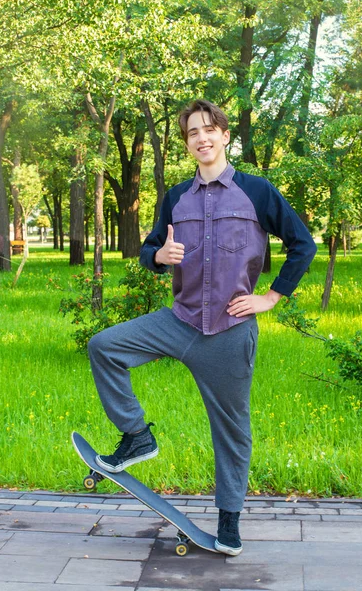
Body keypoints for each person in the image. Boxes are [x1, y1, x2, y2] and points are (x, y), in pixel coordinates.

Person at [87, 99, 317, 556]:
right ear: (187, 142)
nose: (202, 138)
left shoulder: (257, 192)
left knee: (231, 429)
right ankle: (137, 436)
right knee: (104, 346)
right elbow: (149, 250)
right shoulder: (176, 197)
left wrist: (270, 298)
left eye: (209, 129)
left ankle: (229, 524)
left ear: (226, 136)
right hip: (179, 320)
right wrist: (159, 256)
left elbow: (302, 245)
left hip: (231, 331)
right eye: (193, 132)